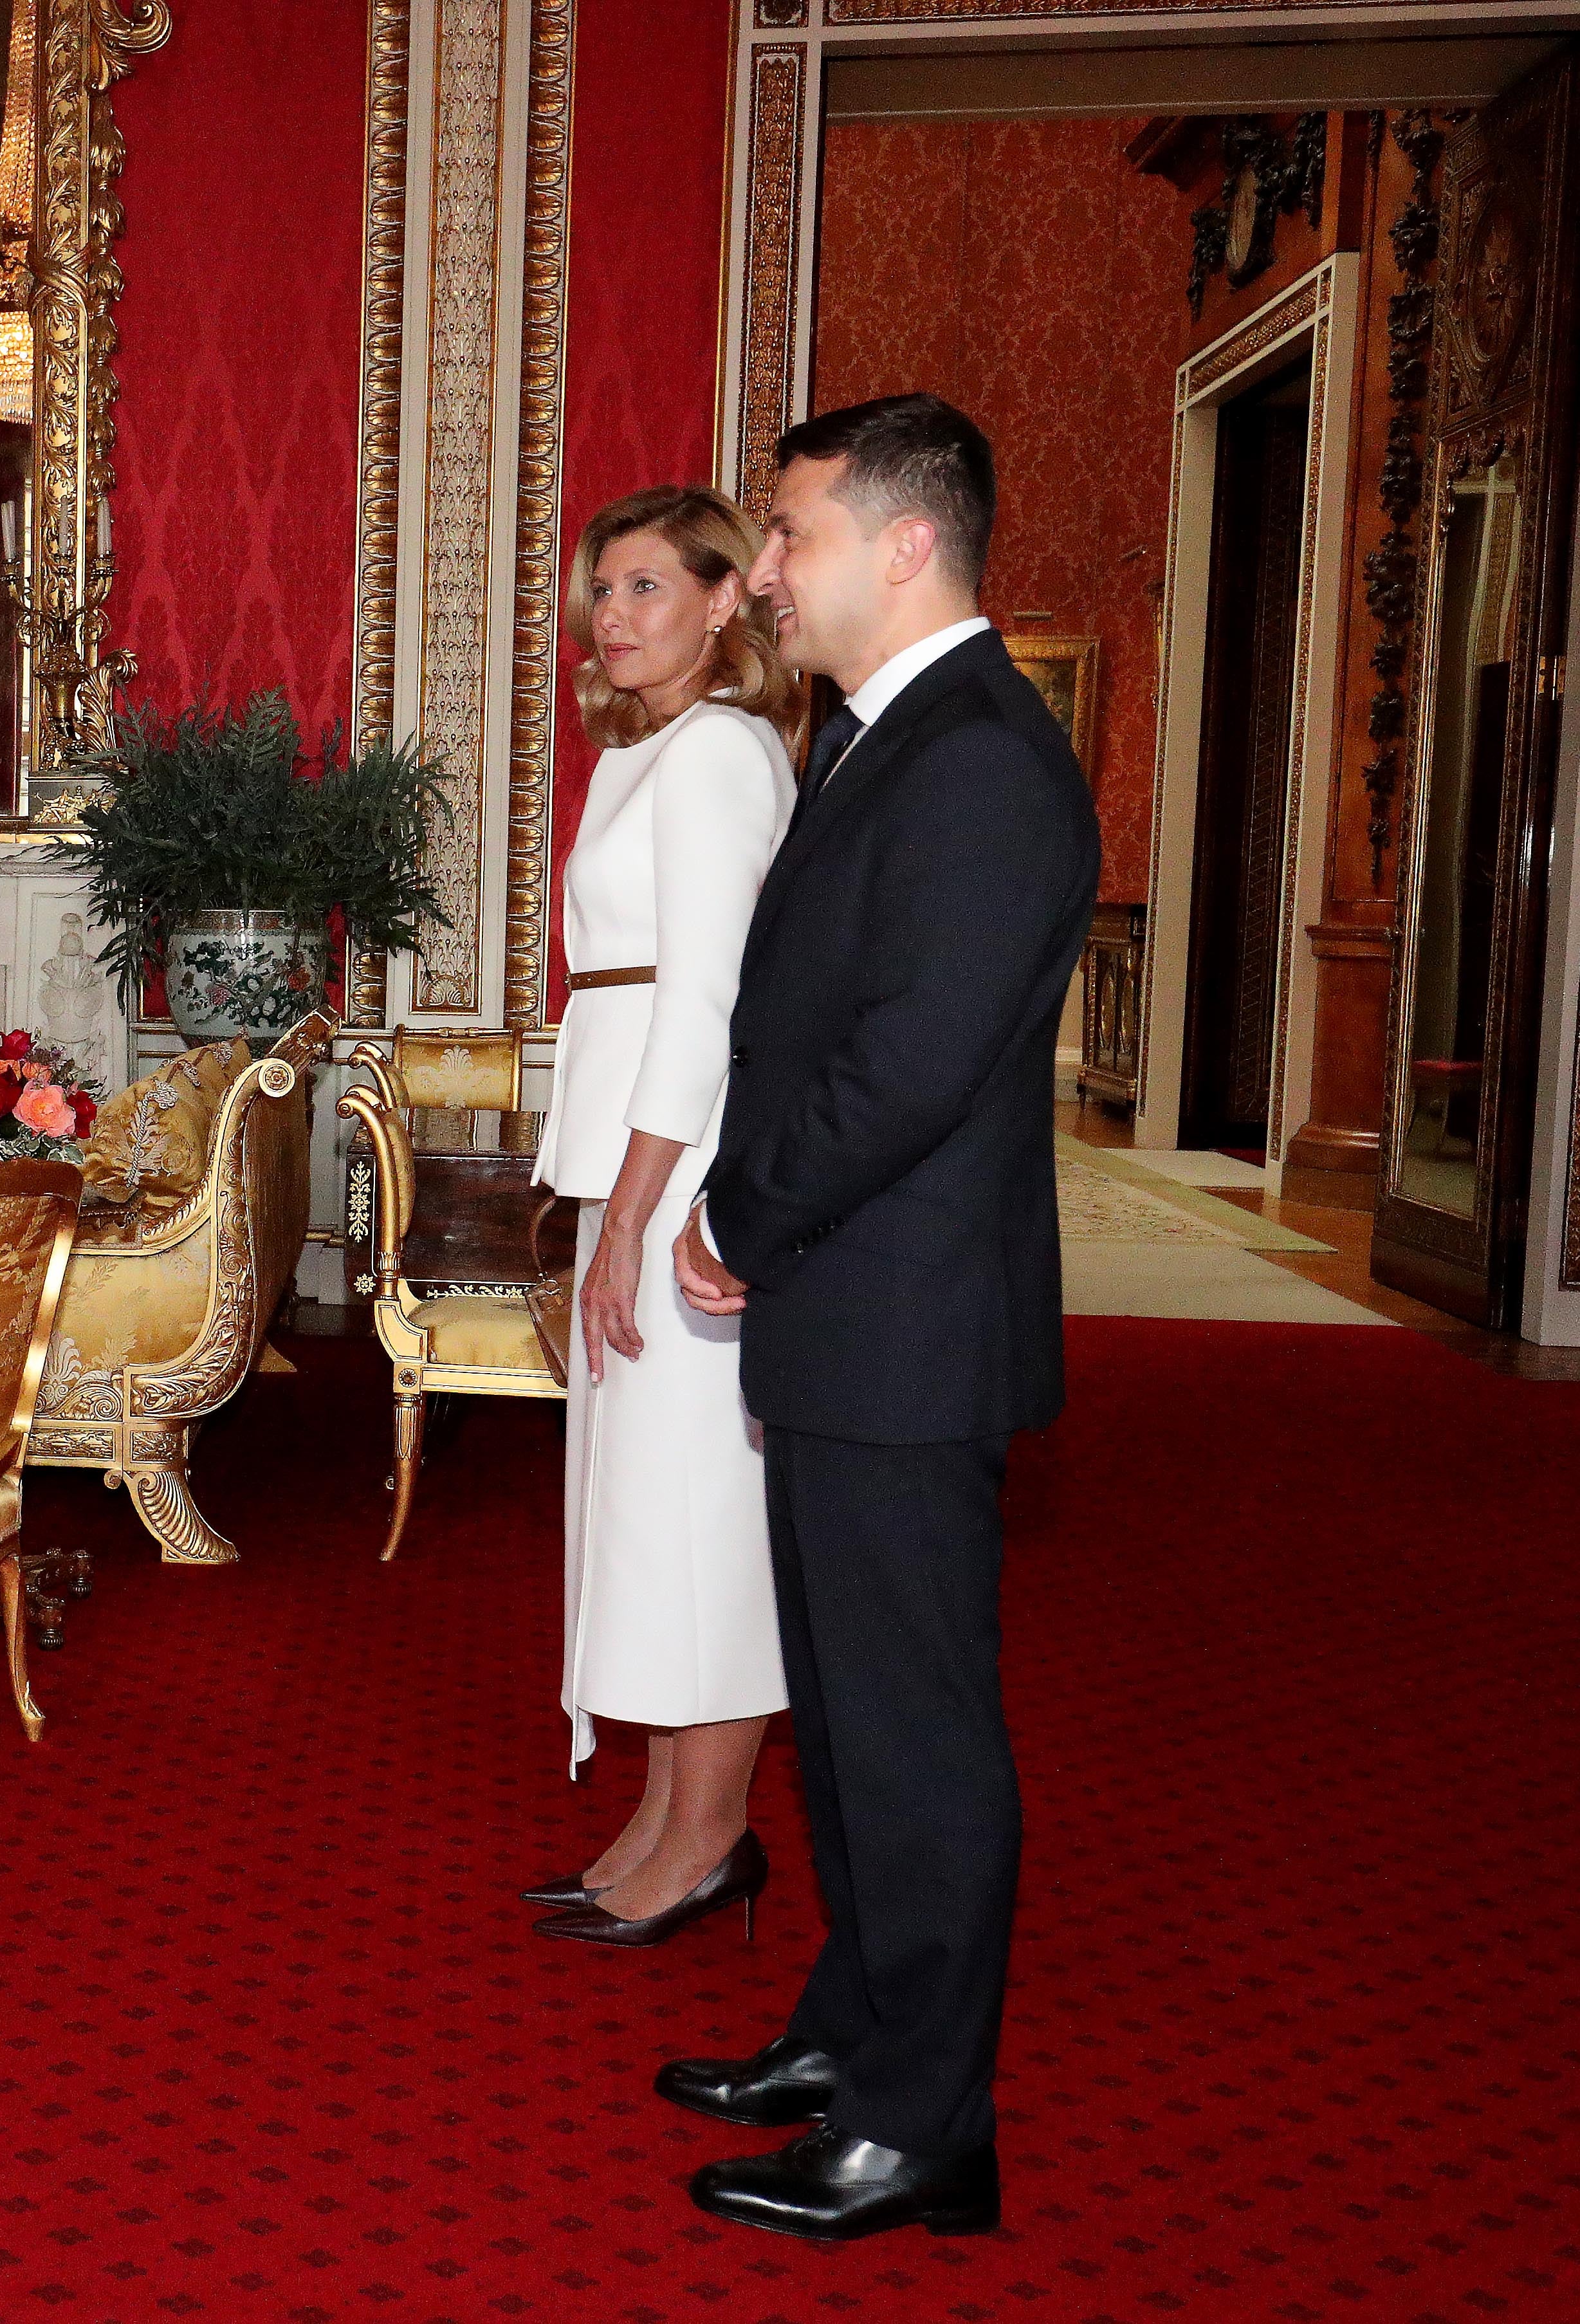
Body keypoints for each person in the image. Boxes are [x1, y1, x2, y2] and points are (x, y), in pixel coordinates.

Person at [665, 392, 1098, 2241]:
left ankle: (926, 2123)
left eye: (791, 534)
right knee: (842, 1718)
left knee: (914, 1731)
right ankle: (856, 2027)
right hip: (852, 1314)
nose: (765, 569)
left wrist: (744, 1213)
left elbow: (911, 1061)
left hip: (902, 1318)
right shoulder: (883, 735)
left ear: (905, 545)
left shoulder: (987, 758)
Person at [519, 486, 803, 1950]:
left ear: (720, 603)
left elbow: (701, 1007)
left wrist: (631, 1217)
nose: (615, 618)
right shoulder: (650, 752)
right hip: (632, 1150)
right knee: (649, 1510)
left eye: (645, 589)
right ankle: (658, 1822)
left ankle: (711, 1839)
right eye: (603, 595)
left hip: (679, 1167)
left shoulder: (720, 755)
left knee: (703, 1517)